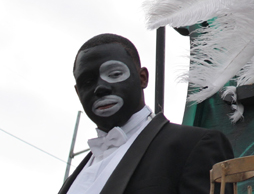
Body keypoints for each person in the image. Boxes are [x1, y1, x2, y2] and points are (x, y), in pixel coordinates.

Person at [59, 33, 234, 194]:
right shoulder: (73, 179)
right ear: (78, 92)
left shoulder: (191, 146)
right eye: (87, 82)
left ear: (143, 78)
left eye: (115, 74)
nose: (100, 88)